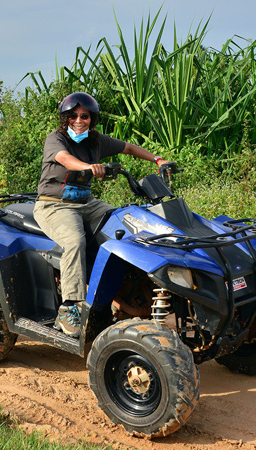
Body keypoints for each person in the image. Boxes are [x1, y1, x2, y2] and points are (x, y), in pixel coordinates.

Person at [33, 92, 169, 337]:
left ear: (91, 119)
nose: (78, 120)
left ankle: (129, 290)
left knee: (129, 221)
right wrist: (89, 167)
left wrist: (157, 159)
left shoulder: (95, 141)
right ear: (65, 118)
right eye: (73, 115)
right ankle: (69, 308)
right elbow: (64, 159)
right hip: (54, 205)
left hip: (87, 203)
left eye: (84, 116)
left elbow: (127, 147)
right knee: (75, 241)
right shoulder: (56, 138)